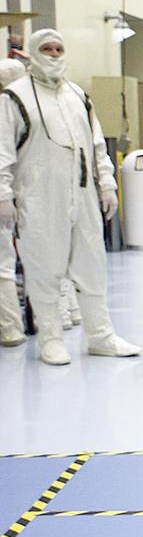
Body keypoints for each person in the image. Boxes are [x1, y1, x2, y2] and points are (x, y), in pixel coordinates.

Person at [0, 29, 139, 365]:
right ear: (33, 53)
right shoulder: (14, 97)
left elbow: (96, 144)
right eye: (46, 48)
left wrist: (106, 183)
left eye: (59, 48)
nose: (54, 53)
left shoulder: (77, 95)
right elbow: (3, 151)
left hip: (83, 193)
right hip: (38, 197)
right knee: (44, 269)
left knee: (93, 265)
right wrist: (4, 194)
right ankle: (51, 339)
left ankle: (101, 336)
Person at [0, 58, 25, 347]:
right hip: (15, 196)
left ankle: (10, 329)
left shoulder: (10, 111)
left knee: (4, 265)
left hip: (10, 197)